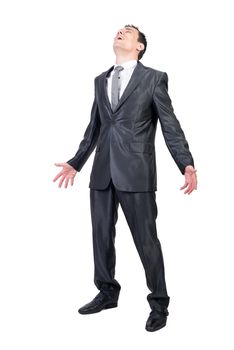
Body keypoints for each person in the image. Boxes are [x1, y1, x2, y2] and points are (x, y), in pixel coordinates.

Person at [53, 24, 197, 332]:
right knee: (101, 237)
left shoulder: (153, 79)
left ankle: (159, 303)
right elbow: (94, 128)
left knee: (146, 241)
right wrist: (76, 163)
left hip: (137, 172)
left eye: (129, 31)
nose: (121, 32)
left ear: (140, 46)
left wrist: (185, 163)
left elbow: (170, 126)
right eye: (119, 30)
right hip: (102, 172)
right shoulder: (100, 80)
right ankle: (107, 292)